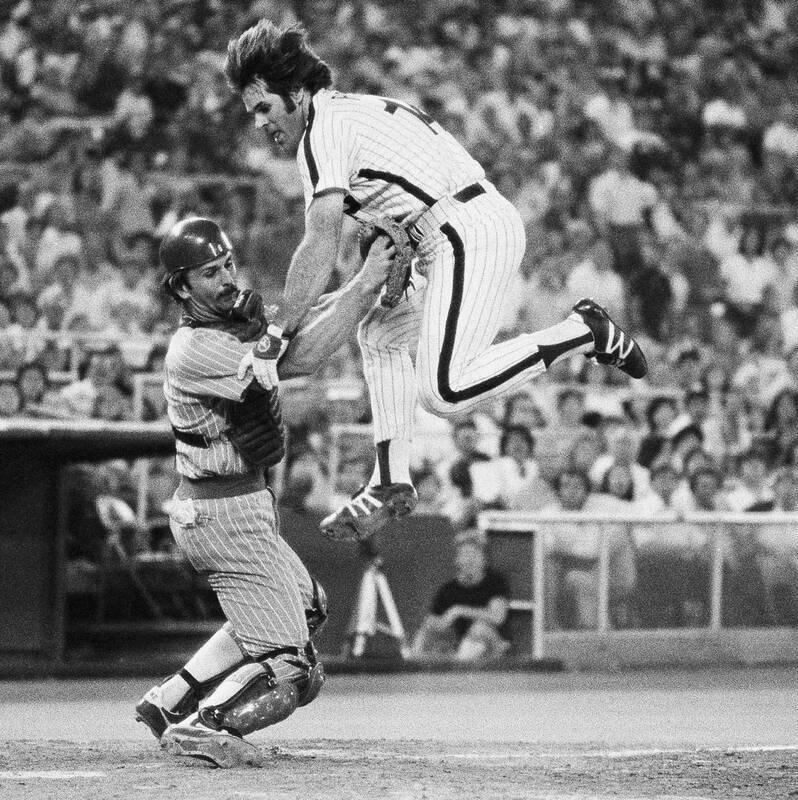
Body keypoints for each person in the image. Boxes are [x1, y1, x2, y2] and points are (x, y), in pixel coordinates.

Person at [224, 20, 648, 542]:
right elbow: (368, 254)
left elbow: (319, 240)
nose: (261, 123)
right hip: (451, 231)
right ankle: (389, 481)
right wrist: (300, 317)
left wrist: (276, 333)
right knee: (378, 333)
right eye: (253, 115)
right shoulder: (346, 112)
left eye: (265, 106)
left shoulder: (323, 130)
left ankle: (581, 331)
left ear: (295, 91)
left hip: (465, 231)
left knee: (444, 391)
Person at [132, 216, 396, 768]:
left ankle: (170, 700)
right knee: (292, 670)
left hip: (237, 506)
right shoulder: (196, 347)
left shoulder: (230, 324)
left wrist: (357, 285)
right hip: (221, 513)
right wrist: (367, 284)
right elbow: (296, 359)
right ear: (181, 286)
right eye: (210, 273)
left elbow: (295, 329)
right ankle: (203, 725)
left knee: (308, 607)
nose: (227, 278)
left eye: (228, 264)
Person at [411, 531, 511, 661]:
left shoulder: (495, 582)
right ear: (457, 560)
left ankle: (459, 665)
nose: (469, 560)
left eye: (474, 554)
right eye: (464, 554)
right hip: (460, 646)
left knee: (479, 629)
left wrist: (458, 611)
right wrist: (435, 625)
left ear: (484, 560)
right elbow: (433, 622)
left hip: (493, 646)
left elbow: (497, 617)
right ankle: (414, 663)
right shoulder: (448, 590)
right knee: (427, 628)